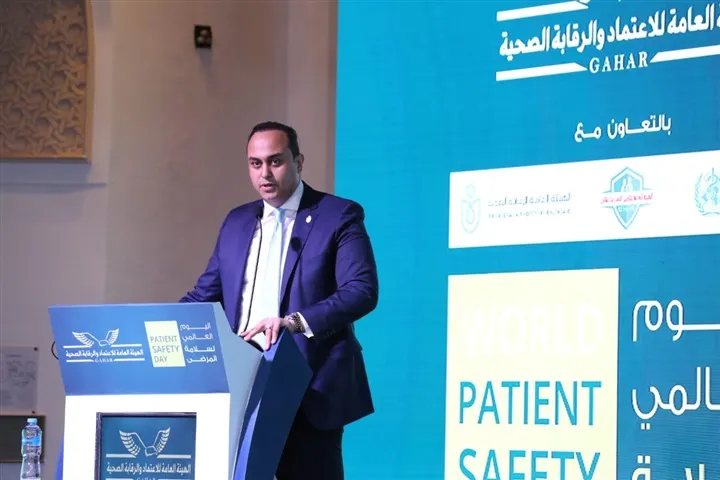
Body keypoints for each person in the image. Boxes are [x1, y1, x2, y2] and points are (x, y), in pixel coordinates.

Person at [180, 121, 379, 479]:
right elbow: (205, 296)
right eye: (255, 163)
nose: (265, 173)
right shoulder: (237, 221)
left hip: (308, 384)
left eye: (276, 161)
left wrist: (294, 322)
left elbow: (361, 290)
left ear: (298, 161)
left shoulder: (338, 215)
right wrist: (158, 324)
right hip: (242, 384)